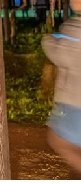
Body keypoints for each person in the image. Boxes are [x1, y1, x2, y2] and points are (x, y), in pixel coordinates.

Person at [42, 13, 81, 176]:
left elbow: (61, 55)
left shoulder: (74, 27)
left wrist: (48, 39)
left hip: (74, 99)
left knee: (58, 140)